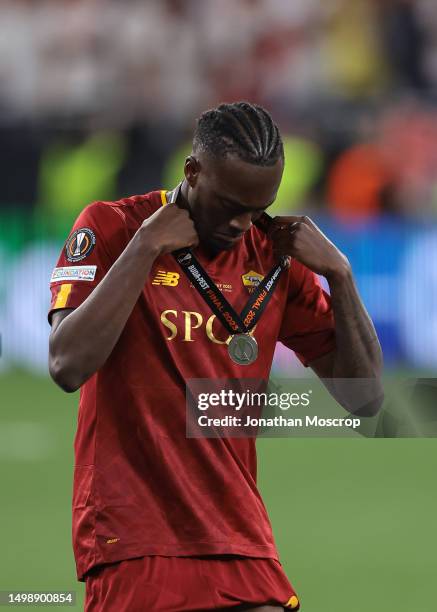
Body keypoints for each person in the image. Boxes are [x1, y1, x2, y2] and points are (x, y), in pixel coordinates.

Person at [48, 102, 383, 611]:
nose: (241, 223)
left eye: (258, 207)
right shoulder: (114, 227)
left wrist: (340, 275)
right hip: (134, 535)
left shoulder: (272, 257)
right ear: (192, 171)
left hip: (239, 534)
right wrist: (144, 248)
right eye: (229, 205)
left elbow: (366, 401)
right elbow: (66, 365)